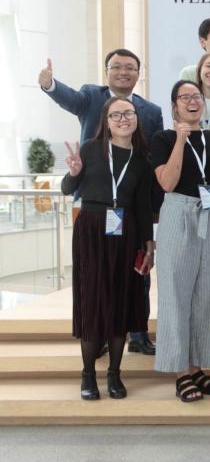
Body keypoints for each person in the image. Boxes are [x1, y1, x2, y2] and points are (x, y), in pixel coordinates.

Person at [39, 49, 162, 356]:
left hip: (132, 207)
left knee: (135, 274)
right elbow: (69, 99)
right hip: (94, 207)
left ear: (138, 73)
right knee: (97, 277)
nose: (123, 72)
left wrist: (153, 208)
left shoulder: (150, 109)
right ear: (107, 70)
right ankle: (100, 333)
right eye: (117, 66)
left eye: (130, 67)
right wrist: (49, 84)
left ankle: (137, 332)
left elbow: (153, 158)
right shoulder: (91, 96)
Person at [61, 97, 154, 400]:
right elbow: (67, 188)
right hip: (91, 229)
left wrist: (149, 244)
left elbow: (143, 208)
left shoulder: (142, 159)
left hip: (126, 233)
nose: (123, 119)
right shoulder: (90, 148)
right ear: (106, 120)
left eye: (128, 113)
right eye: (116, 114)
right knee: (92, 300)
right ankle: (88, 374)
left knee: (120, 300)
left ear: (136, 118)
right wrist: (74, 172)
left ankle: (114, 373)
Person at [152, 80, 210, 402]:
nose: (192, 101)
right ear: (174, 104)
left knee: (207, 295)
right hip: (179, 213)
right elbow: (167, 182)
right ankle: (180, 372)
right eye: (185, 97)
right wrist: (180, 139)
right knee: (176, 293)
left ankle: (197, 366)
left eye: (196, 96)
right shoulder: (163, 138)